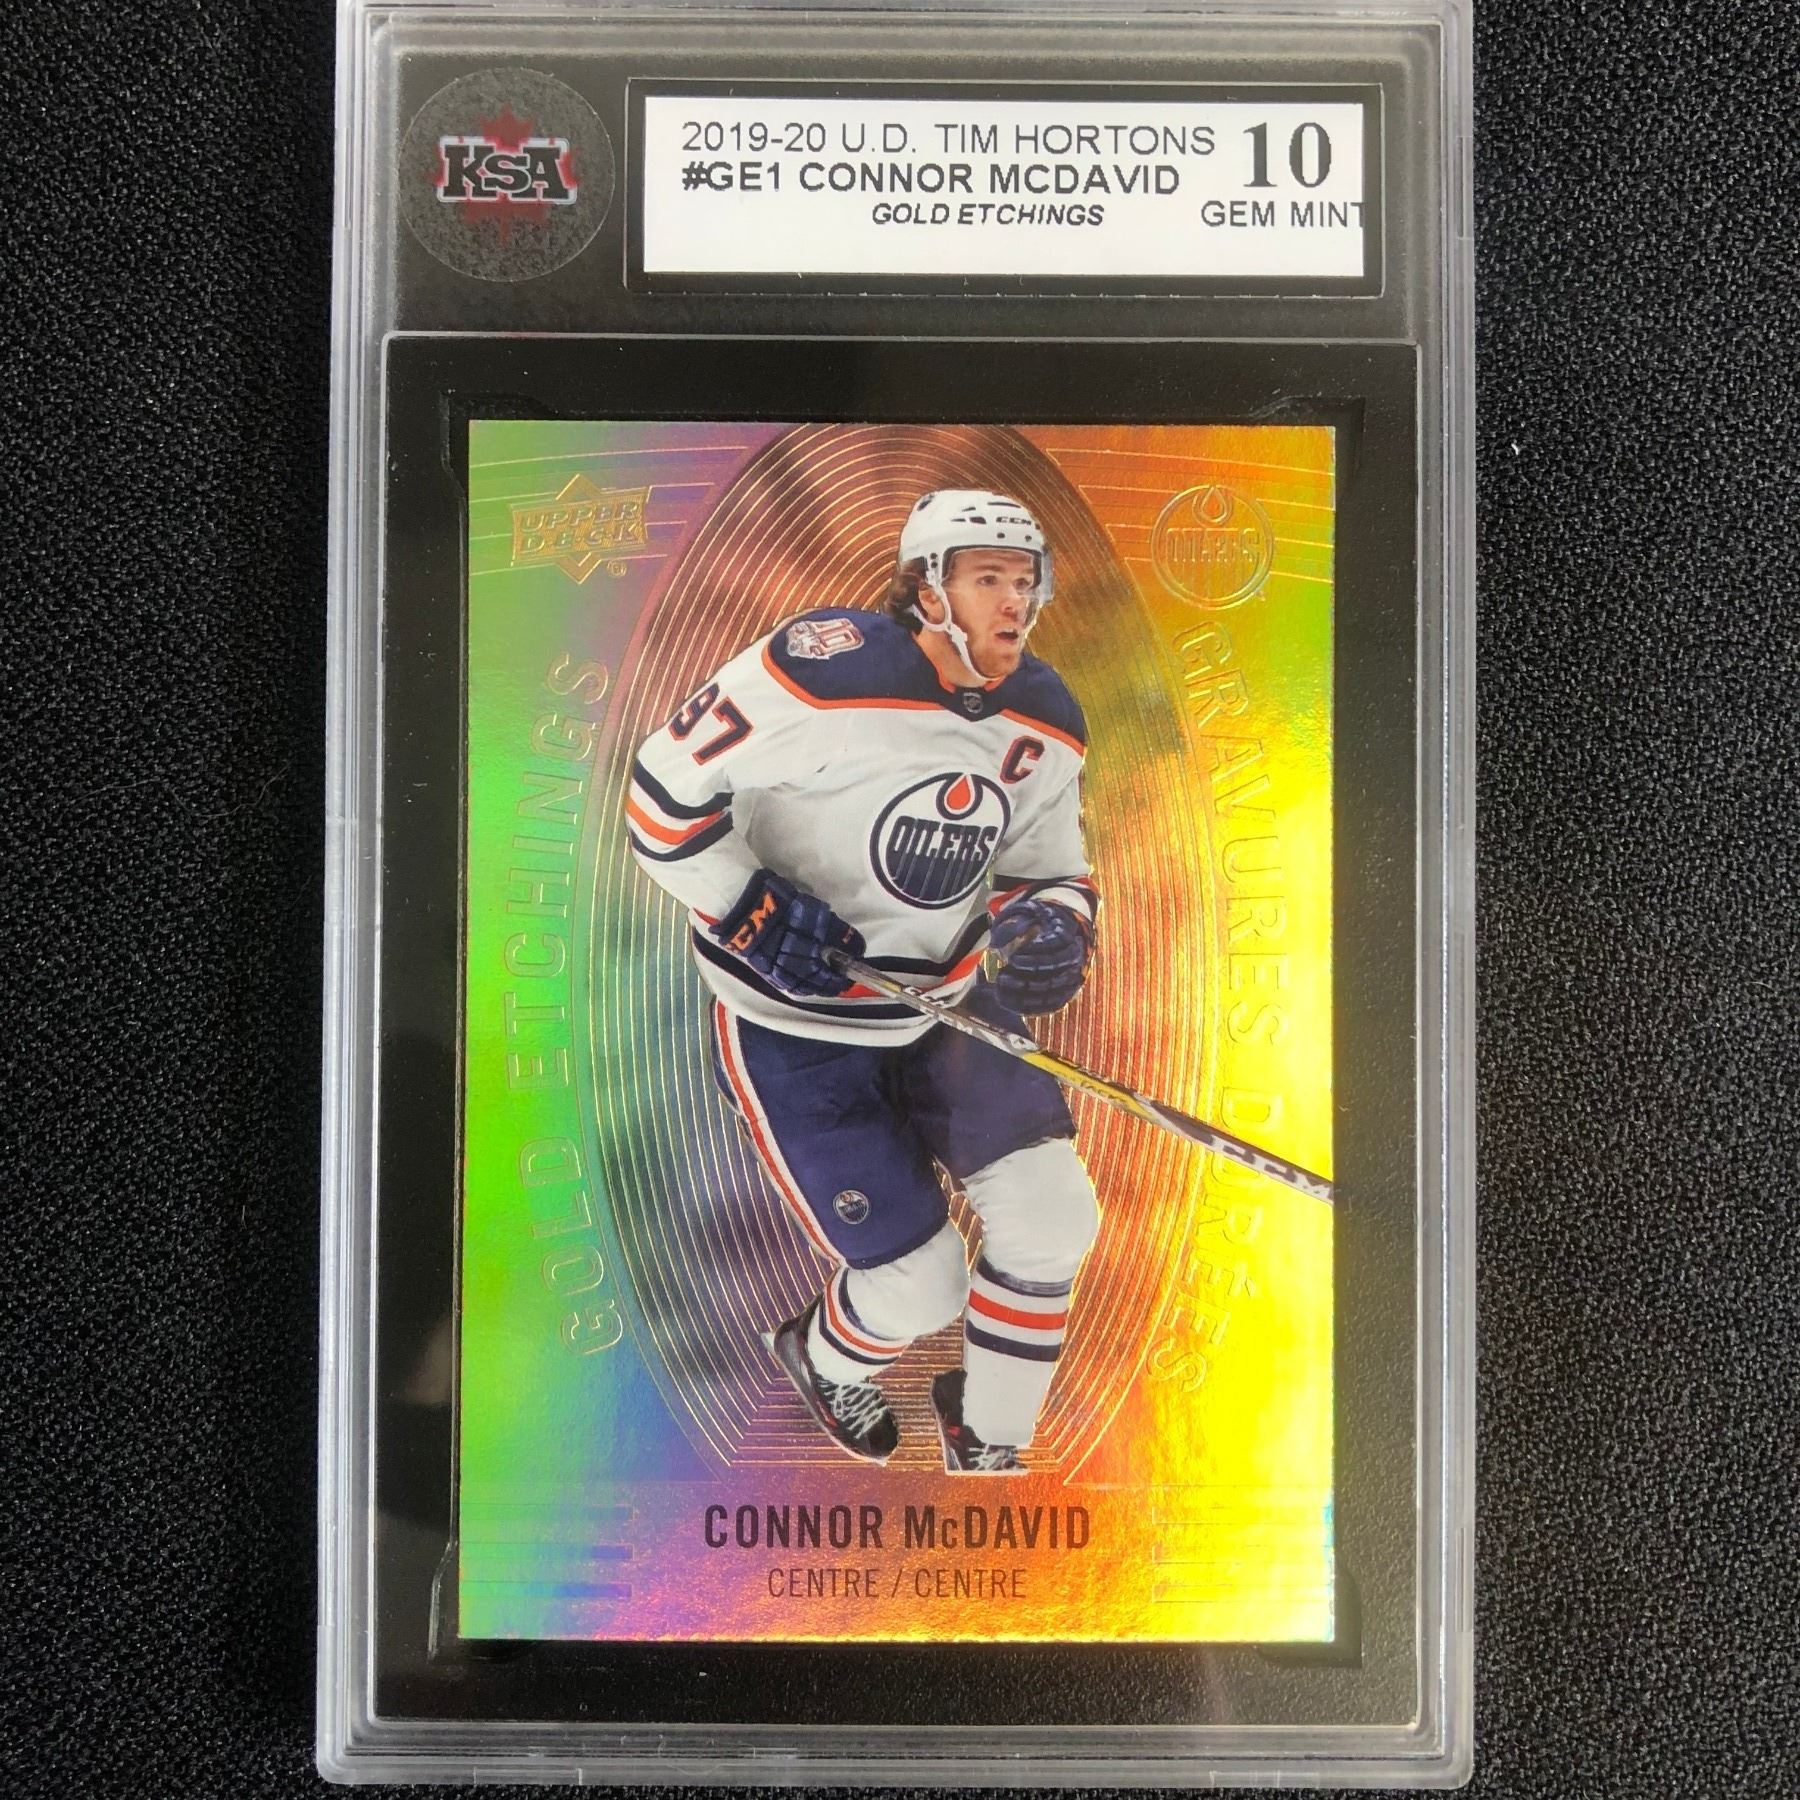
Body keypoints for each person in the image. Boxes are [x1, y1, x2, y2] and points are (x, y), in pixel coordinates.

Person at [626, 490, 1101, 1473]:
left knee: (1056, 1220)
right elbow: (661, 790)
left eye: (1025, 581)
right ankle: (820, 1354)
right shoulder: (826, 669)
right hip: (790, 1022)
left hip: (945, 1005)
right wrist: (744, 903)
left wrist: (1055, 923)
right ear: (926, 589)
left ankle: (992, 1438)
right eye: (987, 579)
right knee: (922, 1287)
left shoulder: (1046, 716)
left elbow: (1048, 867)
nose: (1014, 602)